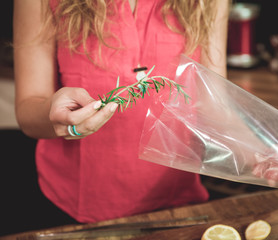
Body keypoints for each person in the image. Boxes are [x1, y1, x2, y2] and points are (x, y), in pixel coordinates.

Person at [13, 0, 229, 223]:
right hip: (73, 207)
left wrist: (258, 149)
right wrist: (60, 119)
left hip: (178, 203)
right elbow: (28, 111)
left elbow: (215, 105)